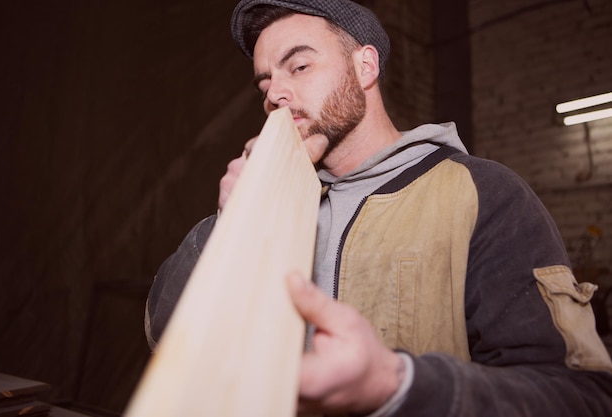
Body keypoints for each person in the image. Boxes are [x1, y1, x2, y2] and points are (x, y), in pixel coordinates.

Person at [144, 0, 612, 415]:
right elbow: (164, 338)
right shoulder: (262, 204)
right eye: (265, 81)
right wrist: (233, 224)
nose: (274, 93)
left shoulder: (482, 192)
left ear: (365, 66)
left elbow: (579, 395)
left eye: (299, 66)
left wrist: (395, 385)